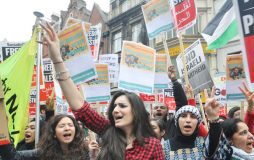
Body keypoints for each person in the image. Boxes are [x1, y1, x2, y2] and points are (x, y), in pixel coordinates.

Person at [41, 22, 164, 160]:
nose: (115, 110)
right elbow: (79, 106)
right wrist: (57, 59)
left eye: (122, 106)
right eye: (115, 106)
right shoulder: (108, 131)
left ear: (136, 111)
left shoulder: (153, 145)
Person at [0, 114, 89, 159]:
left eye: (70, 125)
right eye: (62, 126)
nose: (67, 128)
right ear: (54, 133)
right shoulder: (43, 153)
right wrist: (3, 128)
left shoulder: (83, 152)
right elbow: (12, 157)